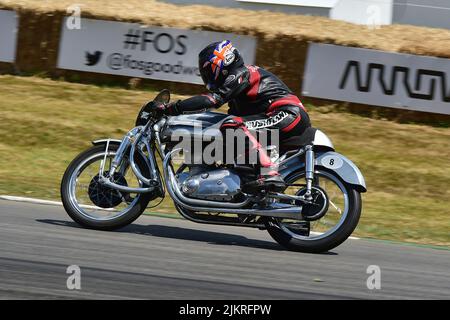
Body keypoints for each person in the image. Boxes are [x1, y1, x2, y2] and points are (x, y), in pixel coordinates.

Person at [156, 40, 311, 190]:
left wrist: (174, 108)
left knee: (233, 124)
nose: (206, 75)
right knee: (225, 129)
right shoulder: (238, 90)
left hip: (288, 113)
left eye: (208, 70)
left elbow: (212, 100)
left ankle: (268, 172)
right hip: (279, 116)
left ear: (222, 64)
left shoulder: (241, 74)